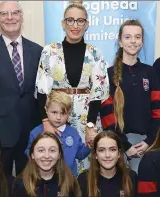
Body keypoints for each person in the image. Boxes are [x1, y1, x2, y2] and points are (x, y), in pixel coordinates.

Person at [35, 3, 110, 173]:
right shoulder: (50, 51)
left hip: (87, 119)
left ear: (87, 24)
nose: (75, 25)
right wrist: (46, 122)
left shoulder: (95, 53)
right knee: (55, 162)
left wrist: (91, 125)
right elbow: (41, 91)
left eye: (80, 21)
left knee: (86, 167)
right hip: (56, 118)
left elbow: (97, 93)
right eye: (70, 20)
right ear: (63, 23)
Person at [0, 0, 43, 176]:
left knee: (29, 185)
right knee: (1, 186)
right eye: (4, 14)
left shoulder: (38, 51)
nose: (10, 17)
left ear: (21, 16)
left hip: (31, 134)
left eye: (14, 13)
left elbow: (42, 96)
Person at [100, 19, 160, 173]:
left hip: (144, 144)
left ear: (142, 41)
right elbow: (107, 115)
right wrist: (125, 145)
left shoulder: (150, 72)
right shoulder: (107, 74)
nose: (133, 41)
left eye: (137, 37)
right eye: (127, 37)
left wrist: (149, 141)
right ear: (120, 42)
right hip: (117, 143)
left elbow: (158, 111)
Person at [24, 90, 90, 176]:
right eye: (54, 112)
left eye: (63, 113)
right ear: (46, 110)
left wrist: (89, 145)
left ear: (69, 113)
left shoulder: (73, 132)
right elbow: (29, 153)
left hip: (69, 180)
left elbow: (80, 154)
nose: (58, 117)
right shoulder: (36, 132)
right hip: (42, 178)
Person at [13, 132, 82, 197]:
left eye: (52, 150)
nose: (46, 156)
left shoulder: (69, 180)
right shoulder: (21, 182)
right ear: (32, 155)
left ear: (59, 155)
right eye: (41, 150)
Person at [77, 131, 138, 197]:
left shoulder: (131, 177)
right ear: (95, 155)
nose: (107, 155)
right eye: (101, 150)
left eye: (112, 150)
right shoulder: (83, 180)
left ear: (119, 153)